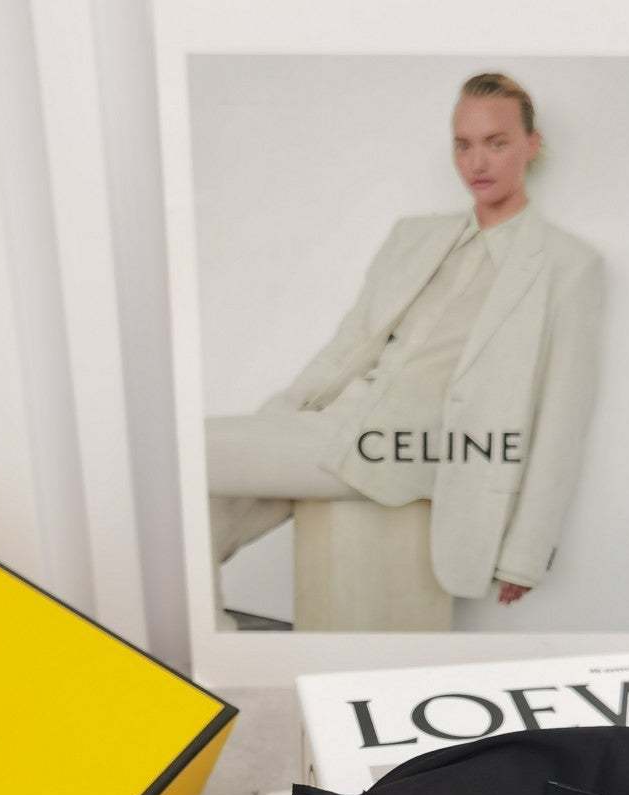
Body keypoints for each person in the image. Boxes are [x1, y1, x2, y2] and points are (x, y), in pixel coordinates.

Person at [207, 72, 605, 608]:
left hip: (412, 448)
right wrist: (281, 415)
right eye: (463, 145)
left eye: (496, 143)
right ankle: (207, 632)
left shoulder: (568, 265)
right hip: (336, 424)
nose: (477, 162)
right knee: (204, 518)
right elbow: (349, 344)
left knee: (192, 450)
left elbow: (563, 420)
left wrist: (526, 553)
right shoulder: (413, 236)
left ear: (531, 145)